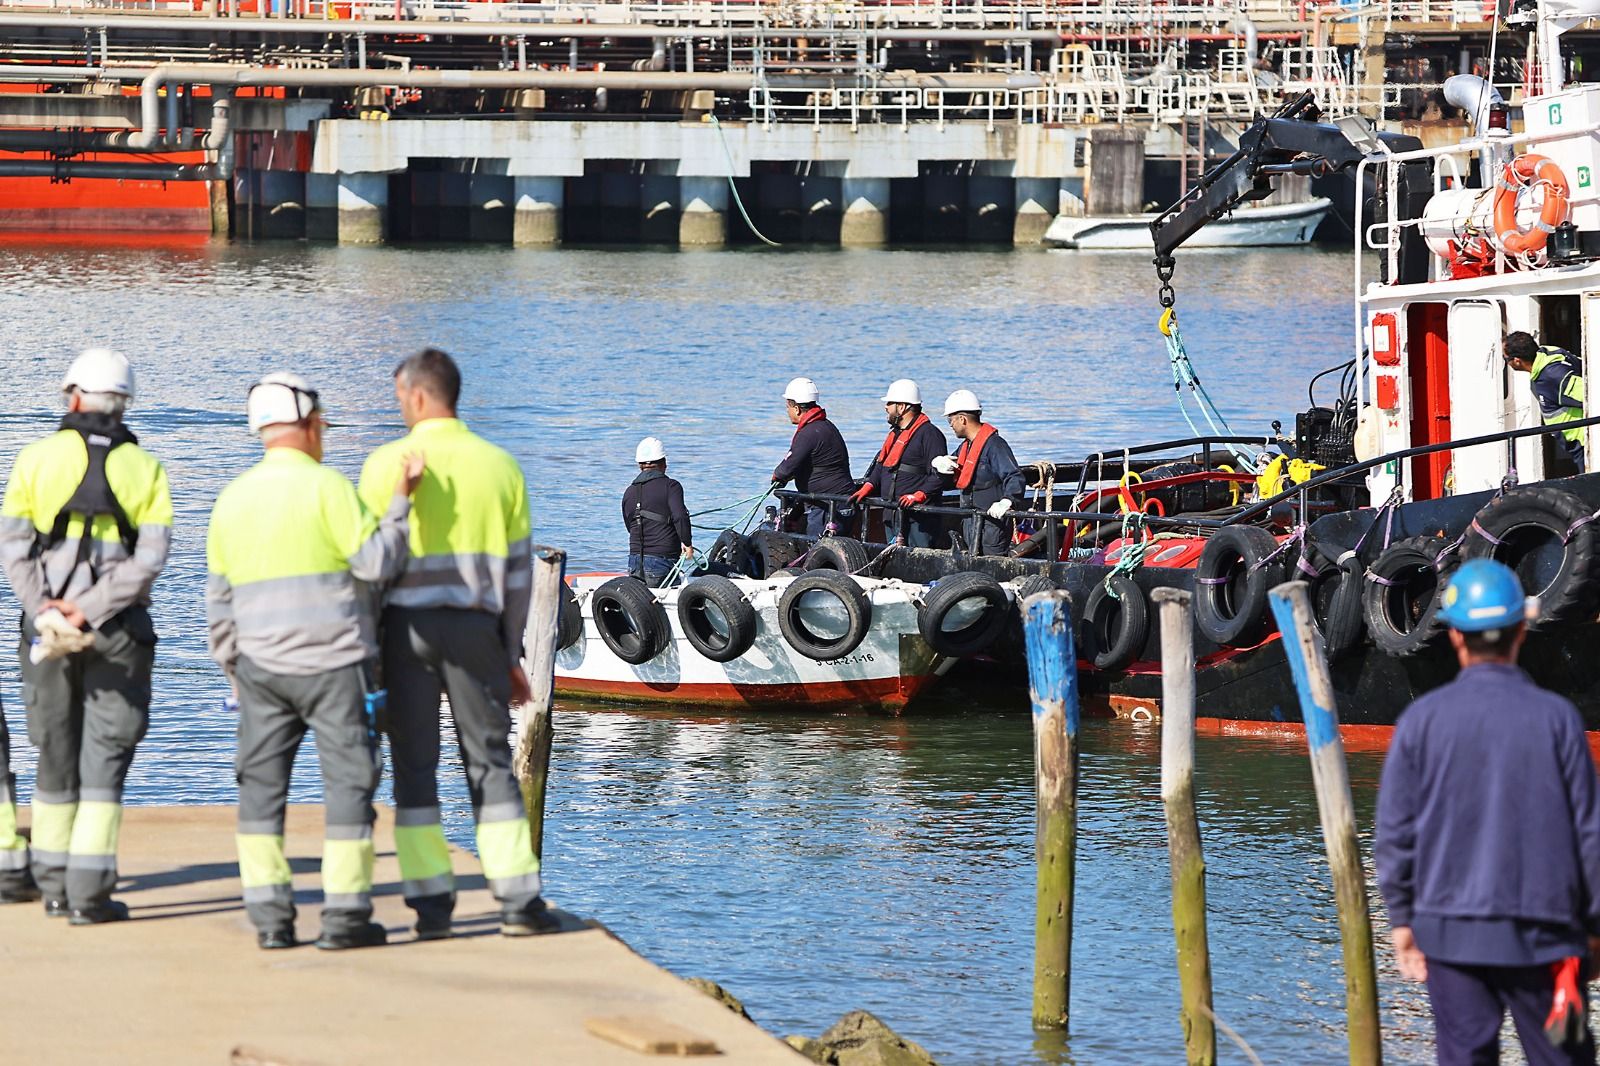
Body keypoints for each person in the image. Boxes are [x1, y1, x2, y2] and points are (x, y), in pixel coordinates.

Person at [207, 373, 422, 951]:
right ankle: (346, 920)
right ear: (305, 424)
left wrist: (237, 671)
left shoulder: (230, 501)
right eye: (322, 424)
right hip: (334, 669)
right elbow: (377, 564)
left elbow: (219, 607)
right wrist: (400, 505)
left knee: (259, 794)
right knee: (349, 790)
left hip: (260, 672)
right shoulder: (329, 490)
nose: (323, 433)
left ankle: (272, 922)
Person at [357, 347, 554, 940]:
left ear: (417, 396)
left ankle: (431, 905)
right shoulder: (501, 467)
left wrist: (368, 655)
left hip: (404, 631)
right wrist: (512, 652)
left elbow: (367, 572)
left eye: (398, 398)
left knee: (414, 769)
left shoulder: (384, 464)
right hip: (476, 634)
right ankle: (518, 900)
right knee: (490, 761)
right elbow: (519, 576)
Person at [1376, 558, 1600, 1066]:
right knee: (1564, 1056)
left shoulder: (1420, 723)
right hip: (1547, 939)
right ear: (1522, 630)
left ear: (1456, 637)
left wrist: (1404, 923)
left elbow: (1395, 835)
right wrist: (1593, 928)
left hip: (1452, 938)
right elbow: (1590, 835)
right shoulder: (1558, 720)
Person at [0, 349, 170, 924]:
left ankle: (50, 886)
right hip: (118, 631)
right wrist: (88, 610)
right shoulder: (146, 470)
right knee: (106, 758)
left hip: (44, 629)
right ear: (125, 402)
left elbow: (14, 548)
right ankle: (89, 895)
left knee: (54, 750)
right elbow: (150, 559)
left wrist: (45, 609)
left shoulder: (34, 459)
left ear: (72, 395)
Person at [851, 378, 948, 548]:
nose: (886, 407)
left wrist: (920, 494)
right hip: (893, 513)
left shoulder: (930, 435)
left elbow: (939, 476)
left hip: (918, 519)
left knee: (919, 559)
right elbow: (882, 465)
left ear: (902, 407)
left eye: (889, 403)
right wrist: (869, 486)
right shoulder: (895, 435)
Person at [931, 390, 1026, 556]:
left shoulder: (995, 445)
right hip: (970, 521)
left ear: (962, 419)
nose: (950, 424)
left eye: (951, 419)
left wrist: (1007, 501)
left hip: (992, 524)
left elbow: (1014, 476)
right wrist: (939, 467)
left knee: (993, 562)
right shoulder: (965, 448)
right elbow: (953, 479)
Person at [771, 377, 856, 538]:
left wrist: (777, 476)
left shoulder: (809, 433)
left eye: (787, 406)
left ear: (796, 408)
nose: (787, 411)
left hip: (826, 506)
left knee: (815, 549)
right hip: (841, 502)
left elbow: (786, 468)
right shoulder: (826, 426)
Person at [1506, 331, 1586, 474]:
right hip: (1577, 444)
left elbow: (1589, 394)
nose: (1507, 363)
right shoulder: (1546, 353)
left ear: (1517, 361)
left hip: (1583, 443)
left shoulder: (1552, 376)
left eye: (1506, 359)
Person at [624, 436, 693, 587]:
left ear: (640, 465)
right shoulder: (671, 486)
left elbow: (630, 525)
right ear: (664, 463)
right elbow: (680, 516)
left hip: (634, 560)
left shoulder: (629, 491)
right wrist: (687, 543)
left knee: (640, 603)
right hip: (661, 560)